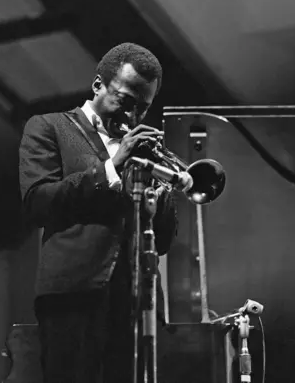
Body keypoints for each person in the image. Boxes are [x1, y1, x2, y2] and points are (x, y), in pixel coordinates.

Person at [19, 42, 178, 383]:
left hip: (138, 301)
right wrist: (111, 168)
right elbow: (37, 202)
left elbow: (163, 241)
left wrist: (162, 193)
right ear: (97, 86)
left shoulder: (146, 149)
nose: (133, 117)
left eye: (143, 108)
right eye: (125, 101)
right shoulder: (49, 127)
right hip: (73, 297)